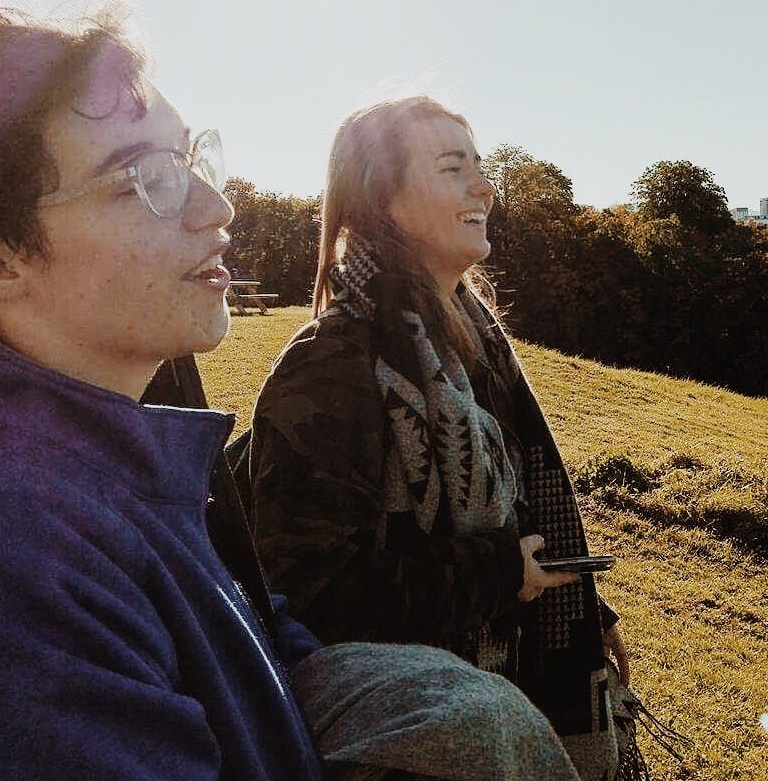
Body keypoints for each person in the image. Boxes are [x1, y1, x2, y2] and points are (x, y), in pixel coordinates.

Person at [0, 0, 579, 781]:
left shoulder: (125, 465)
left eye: (189, 159)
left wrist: (438, 705)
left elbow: (257, 645)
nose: (217, 206)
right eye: (143, 176)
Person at [247, 96, 629, 779]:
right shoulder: (331, 365)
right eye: (453, 169)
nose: (485, 188)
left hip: (494, 699)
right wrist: (500, 574)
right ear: (384, 201)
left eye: (480, 167)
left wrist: (581, 606)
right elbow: (309, 598)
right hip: (411, 744)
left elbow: (519, 505)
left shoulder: (473, 348)